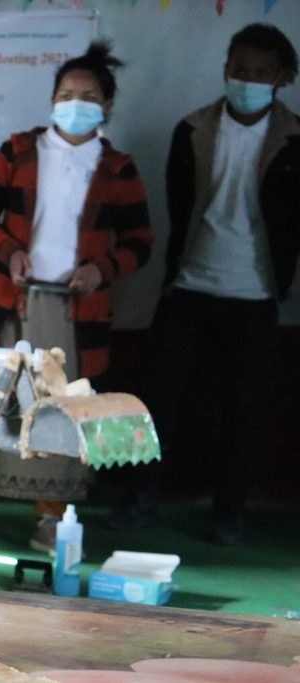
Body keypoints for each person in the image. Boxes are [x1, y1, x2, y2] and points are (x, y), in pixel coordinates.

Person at [109, 24, 300, 545]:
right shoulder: (192, 130)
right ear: (225, 68)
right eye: (239, 68)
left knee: (245, 408)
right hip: (189, 286)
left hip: (256, 294)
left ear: (281, 79)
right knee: (156, 400)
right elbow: (179, 206)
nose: (246, 79)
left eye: (260, 72)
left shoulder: (294, 139)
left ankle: (229, 513)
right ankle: (140, 499)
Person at [0, 42, 152, 554]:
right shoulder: (18, 151)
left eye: (88, 96)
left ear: (107, 107)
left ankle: (53, 518)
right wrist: (8, 252)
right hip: (14, 298)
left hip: (76, 310)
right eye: (67, 93)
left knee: (64, 410)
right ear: (52, 99)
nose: (76, 102)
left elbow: (141, 243)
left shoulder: (119, 168)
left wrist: (101, 269)